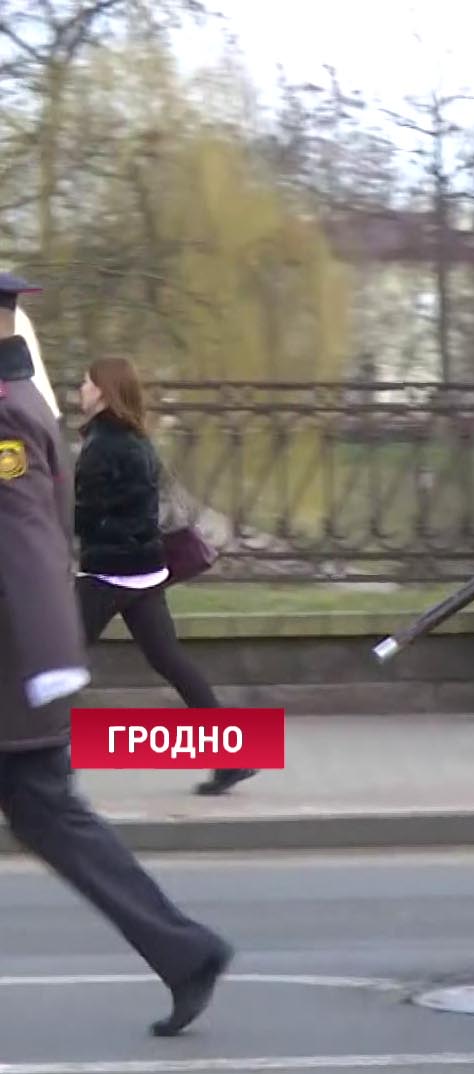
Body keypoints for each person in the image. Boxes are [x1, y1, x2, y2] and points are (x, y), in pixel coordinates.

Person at [0, 271, 233, 1036]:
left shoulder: (9, 415)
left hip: (22, 664)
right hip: (52, 641)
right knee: (57, 820)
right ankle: (184, 948)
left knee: (60, 816)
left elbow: (27, 538)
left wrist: (52, 655)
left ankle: (236, 752)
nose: (82, 389)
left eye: (91, 384)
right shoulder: (30, 405)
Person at [71, 357, 254, 798]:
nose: (79, 388)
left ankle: (33, 766)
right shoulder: (133, 438)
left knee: (53, 661)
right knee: (168, 659)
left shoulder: (106, 445)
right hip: (143, 572)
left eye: (85, 382)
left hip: (109, 574)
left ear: (102, 391)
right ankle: (234, 756)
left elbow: (86, 517)